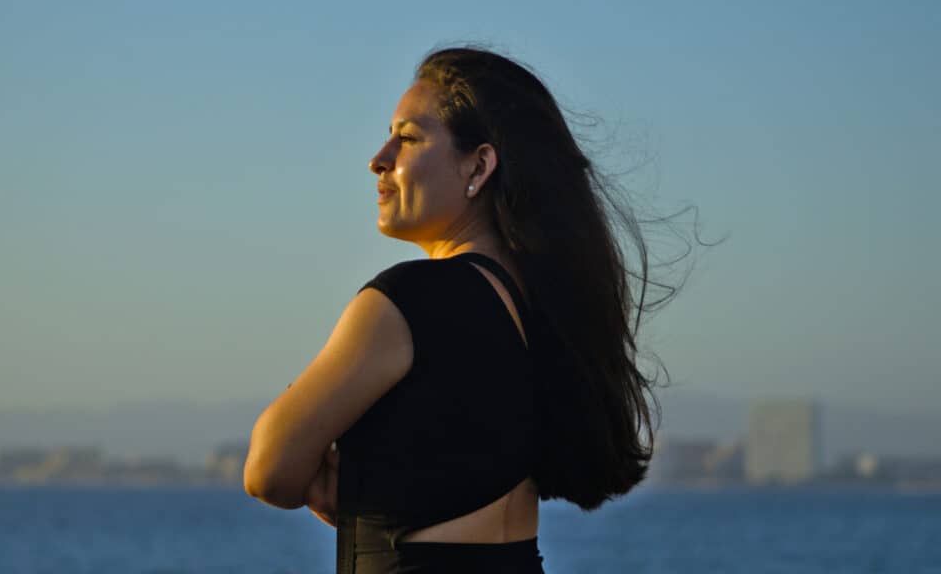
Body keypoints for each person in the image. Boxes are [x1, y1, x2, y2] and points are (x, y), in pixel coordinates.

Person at [244, 46, 662, 573]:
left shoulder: (408, 299)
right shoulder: (549, 313)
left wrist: (343, 480)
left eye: (409, 137)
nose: (379, 157)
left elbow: (268, 468)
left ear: (479, 165)